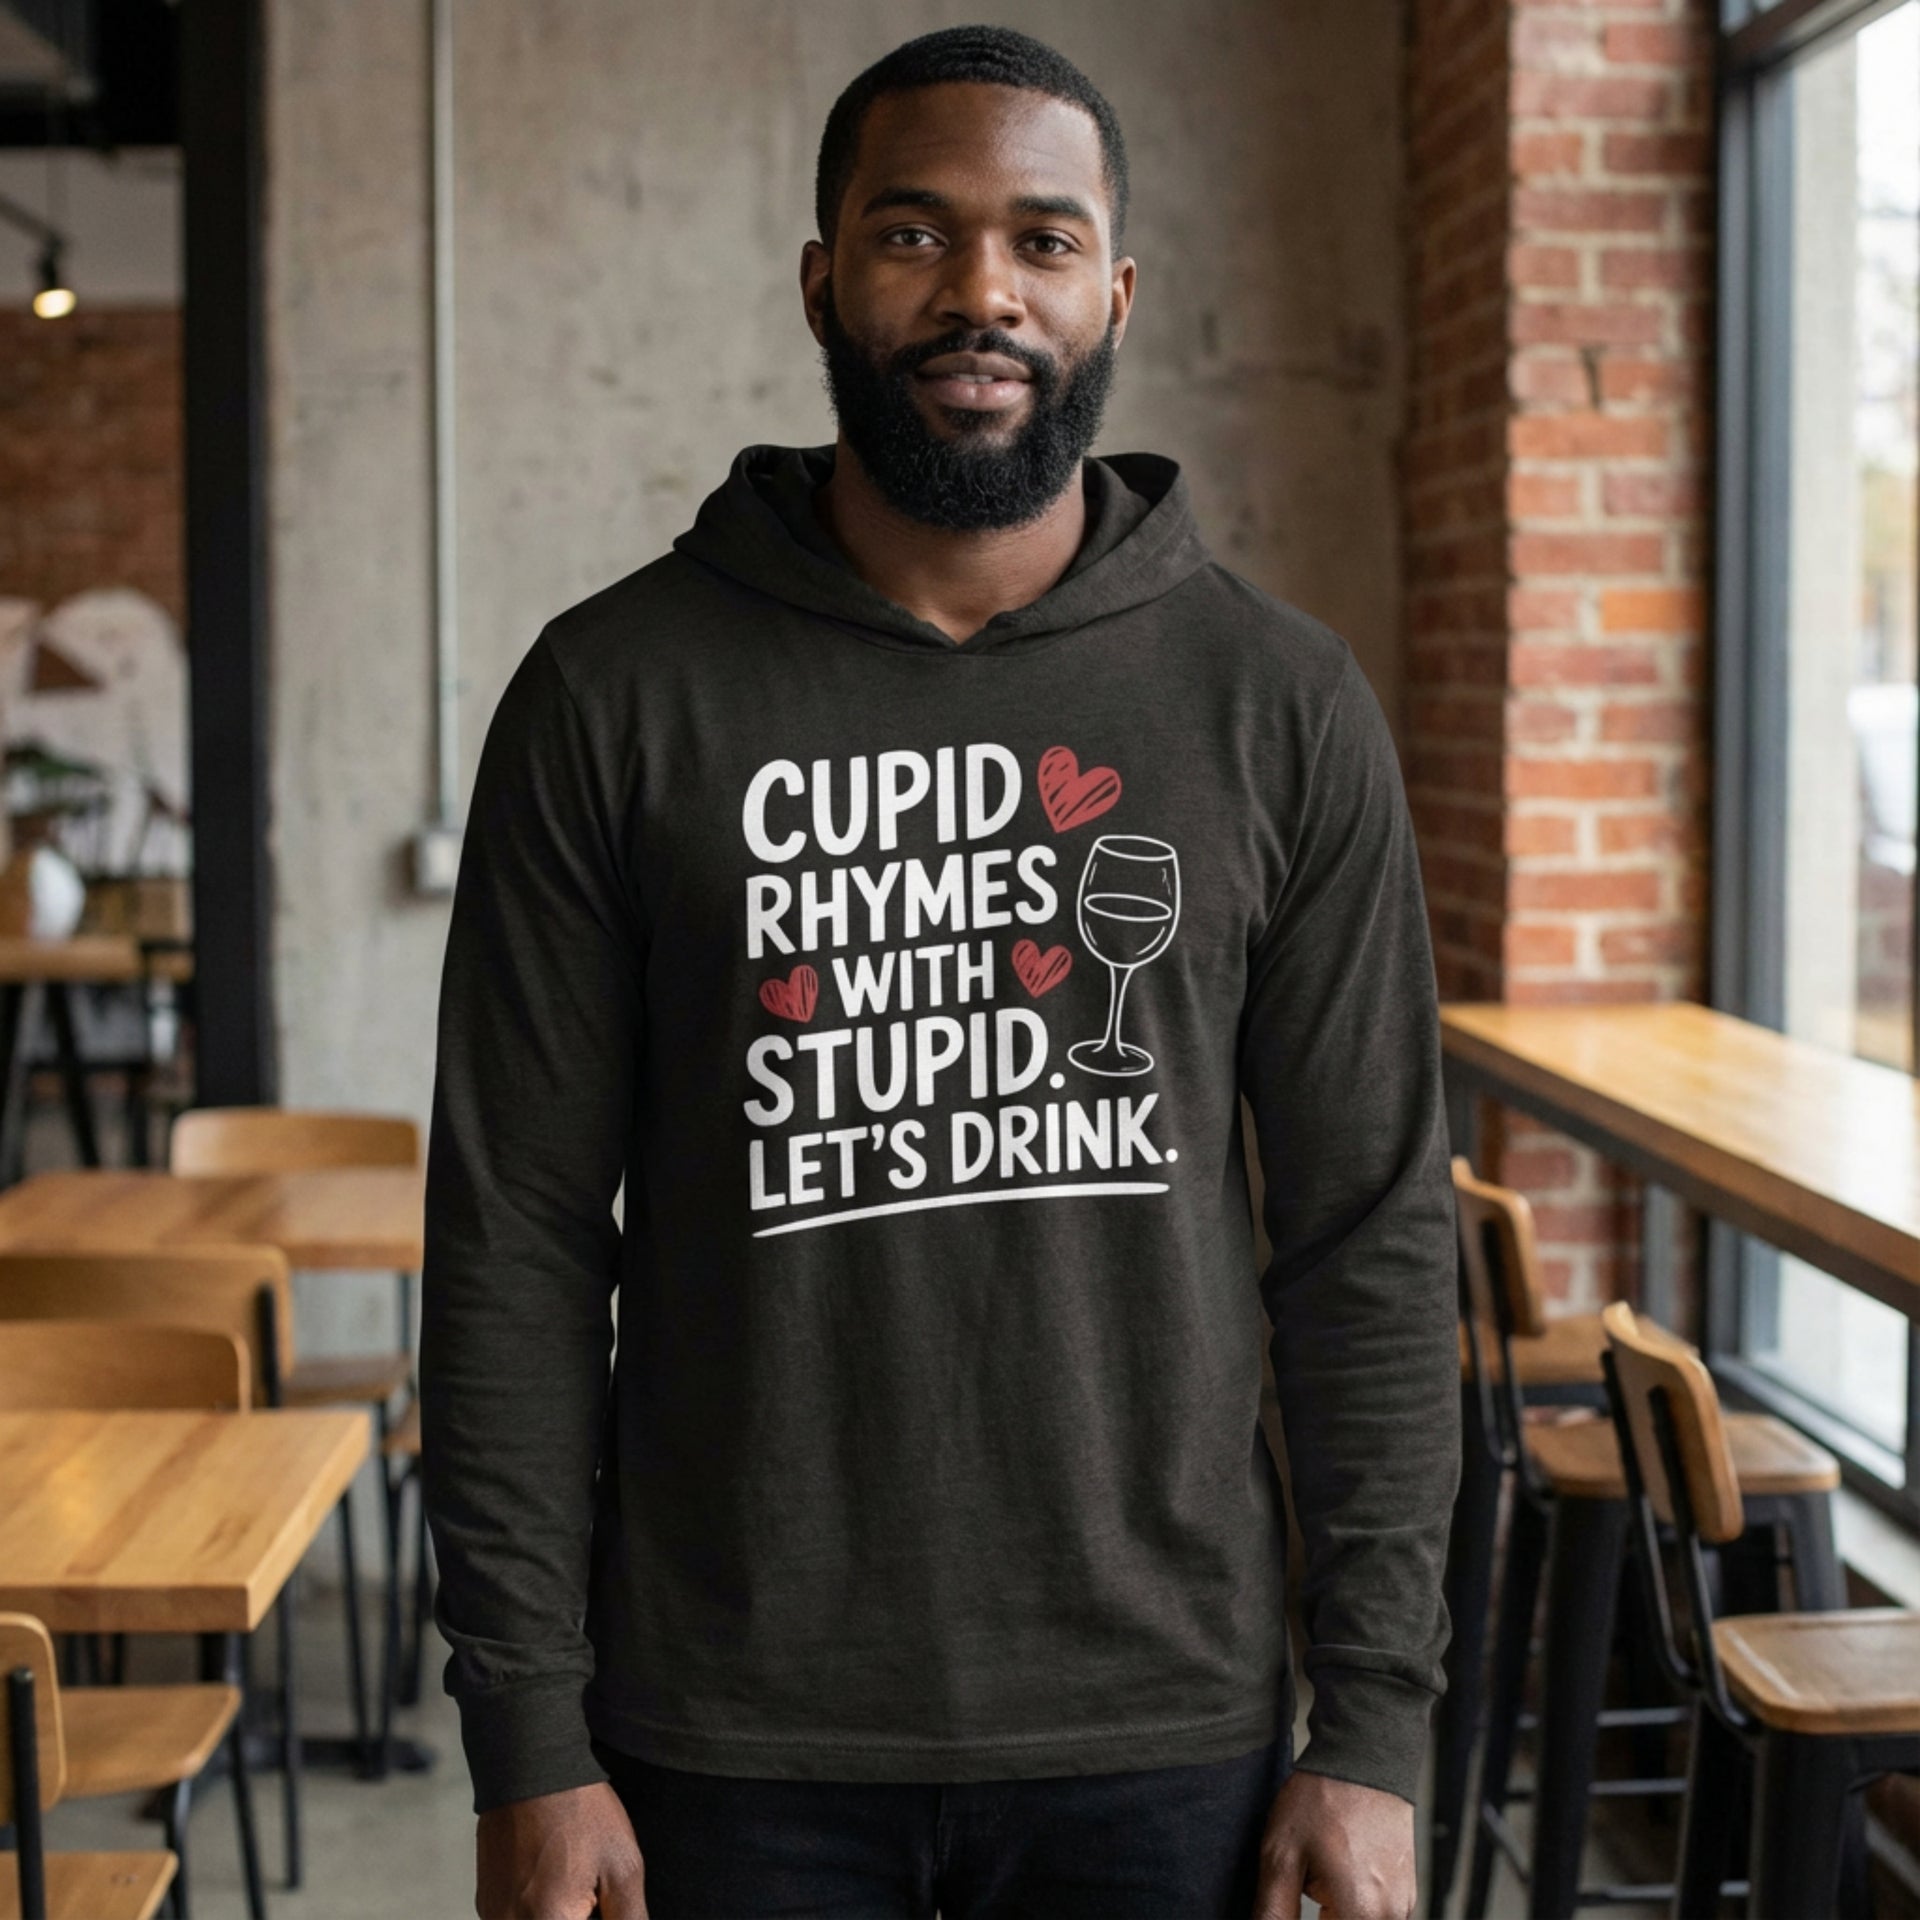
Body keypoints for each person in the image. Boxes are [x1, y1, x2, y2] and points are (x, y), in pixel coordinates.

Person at [421, 24, 1459, 1920]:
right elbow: (516, 1242)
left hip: (1166, 1732)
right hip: (724, 1734)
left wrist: (1373, 1727)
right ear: (823, 274)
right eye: (916, 233)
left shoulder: (1276, 704)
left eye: (1042, 242)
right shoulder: (616, 693)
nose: (982, 291)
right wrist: (529, 1736)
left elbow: (1367, 1236)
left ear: (1116, 291)